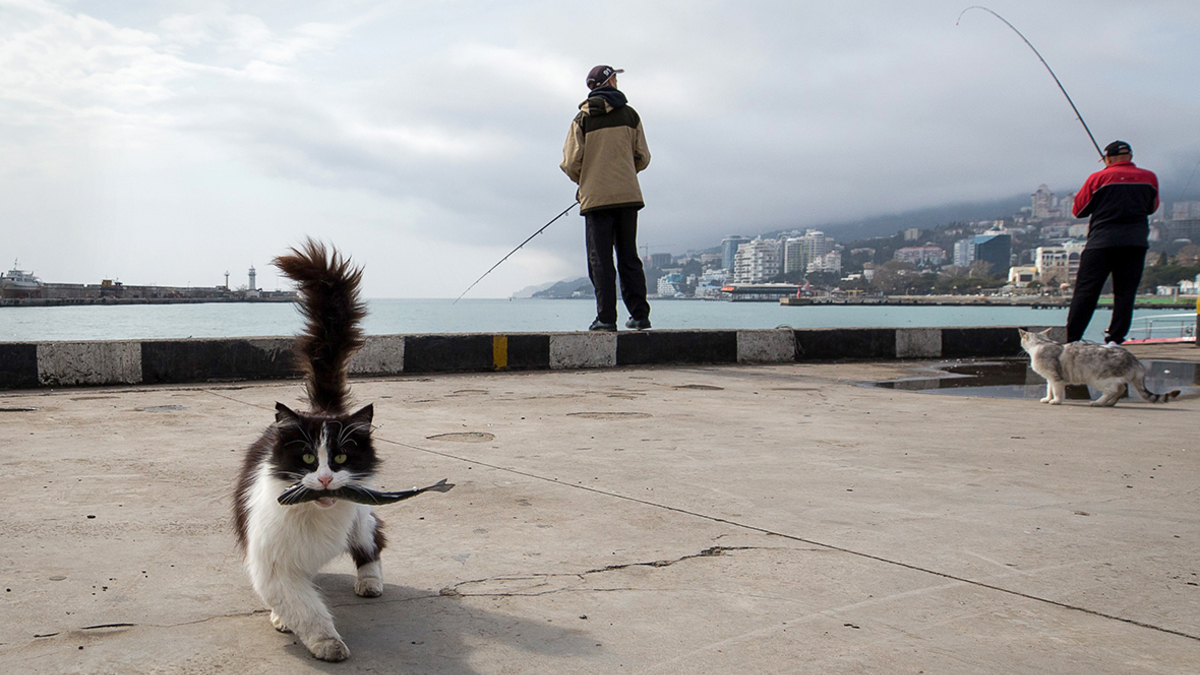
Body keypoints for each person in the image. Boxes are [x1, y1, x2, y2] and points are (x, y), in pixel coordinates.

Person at [561, 65, 652, 331]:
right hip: (628, 196)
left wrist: (587, 179)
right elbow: (643, 156)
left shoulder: (582, 119)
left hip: (595, 199)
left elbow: (570, 163)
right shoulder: (630, 115)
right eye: (615, 77)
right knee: (628, 257)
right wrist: (624, 170)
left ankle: (606, 319)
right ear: (609, 81)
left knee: (600, 260)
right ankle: (639, 315)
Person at [1065, 140, 1159, 345]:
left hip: (1102, 242)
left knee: (1087, 291)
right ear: (1130, 157)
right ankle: (1115, 339)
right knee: (1125, 293)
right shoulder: (1150, 178)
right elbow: (1152, 207)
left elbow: (1079, 210)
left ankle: (1073, 338)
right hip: (1135, 243)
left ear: (1107, 158)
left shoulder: (1098, 178)